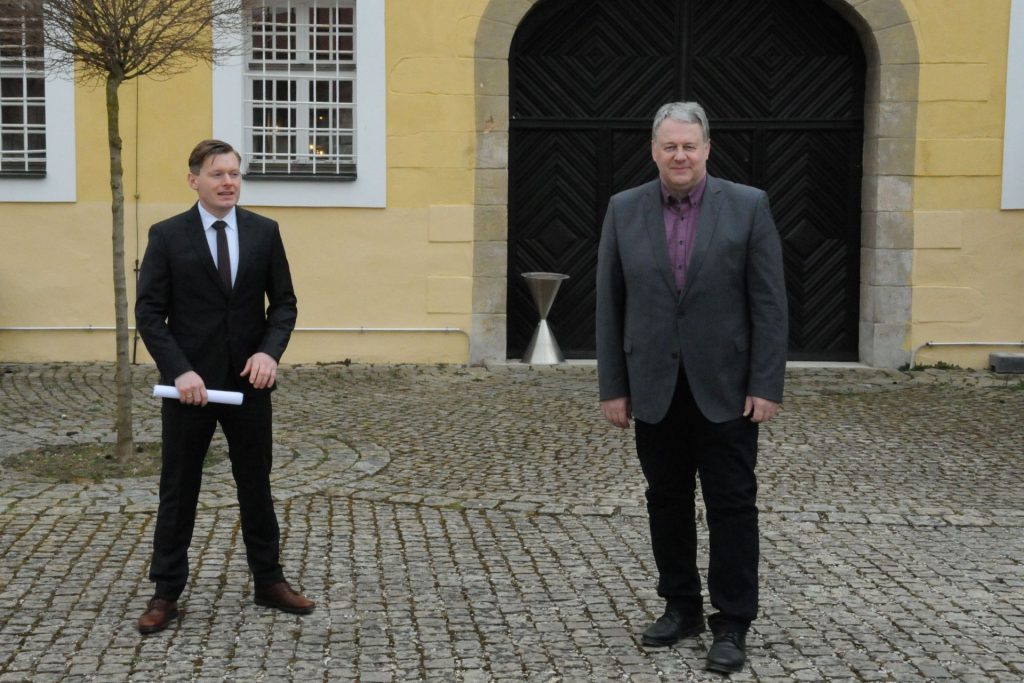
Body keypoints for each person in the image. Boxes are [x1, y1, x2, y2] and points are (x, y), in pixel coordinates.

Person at [596, 102, 787, 673]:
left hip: (726, 388)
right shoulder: (623, 209)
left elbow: (770, 304)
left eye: (690, 146)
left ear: (707, 149)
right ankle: (681, 607)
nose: (680, 156)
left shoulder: (749, 206)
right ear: (654, 151)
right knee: (666, 502)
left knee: (732, 506)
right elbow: (610, 304)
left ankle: (732, 622)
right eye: (669, 146)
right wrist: (614, 386)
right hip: (654, 384)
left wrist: (765, 383)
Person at [134, 139, 313, 634]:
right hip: (189, 388)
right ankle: (165, 592)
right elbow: (149, 313)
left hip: (249, 386)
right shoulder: (167, 236)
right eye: (218, 174)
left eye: (234, 173)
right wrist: (179, 371)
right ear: (194, 180)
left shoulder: (264, 232)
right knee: (179, 491)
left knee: (256, 486)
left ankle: (269, 580)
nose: (229, 182)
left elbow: (284, 304)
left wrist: (268, 354)